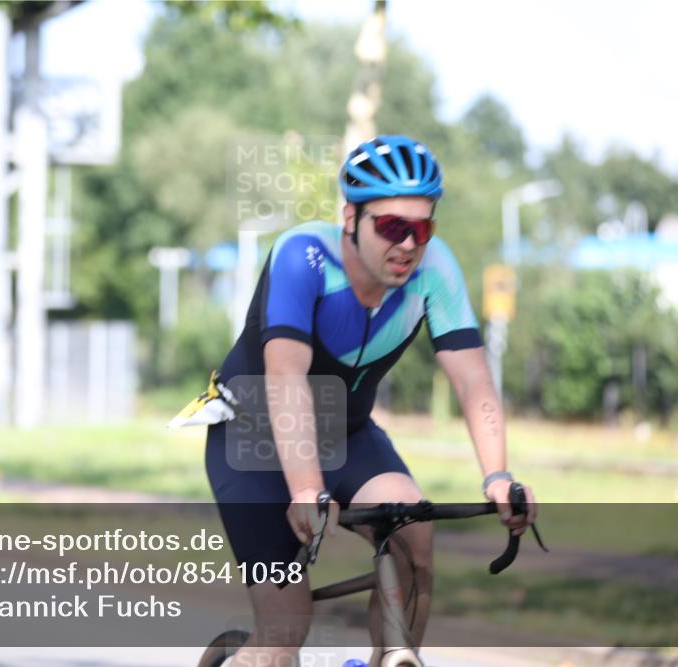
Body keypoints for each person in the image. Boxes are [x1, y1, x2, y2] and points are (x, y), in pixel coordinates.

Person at [190, 135, 537, 667]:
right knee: (285, 632)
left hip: (345, 432)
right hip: (253, 437)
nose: (408, 244)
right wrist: (306, 487)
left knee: (414, 530)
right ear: (350, 216)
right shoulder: (302, 257)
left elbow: (472, 380)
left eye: (422, 228)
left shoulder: (434, 269)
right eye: (392, 226)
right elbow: (285, 378)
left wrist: (497, 476)